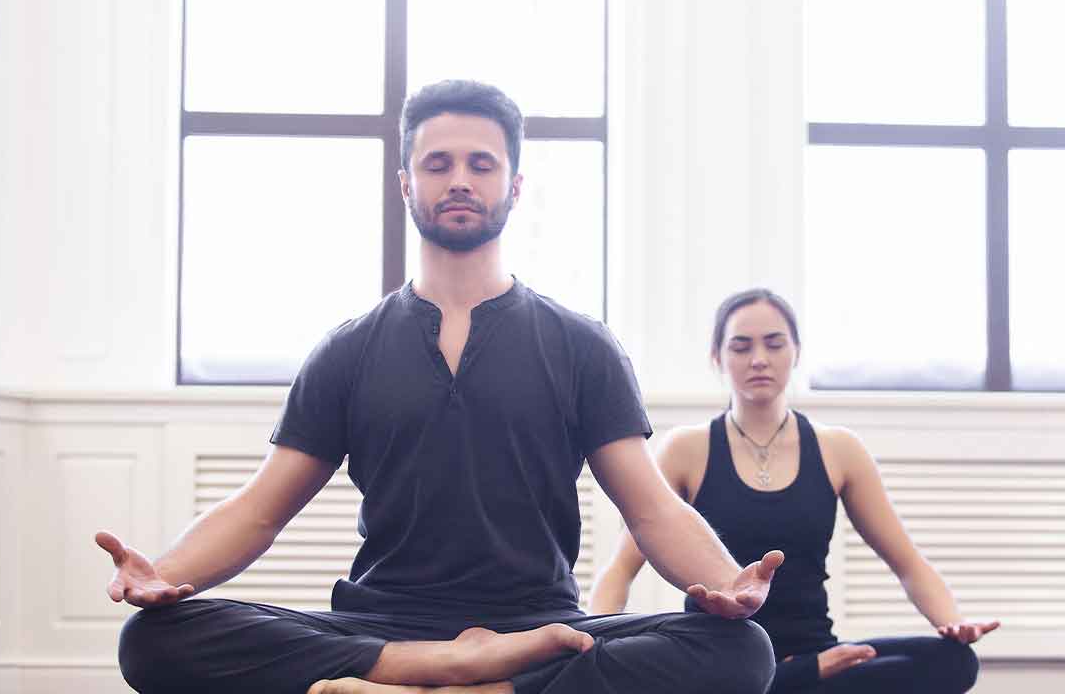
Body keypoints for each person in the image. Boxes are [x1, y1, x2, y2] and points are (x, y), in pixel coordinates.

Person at [95, 80, 781, 694]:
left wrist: (726, 584)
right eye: (438, 163)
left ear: (514, 186)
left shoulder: (581, 346)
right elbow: (259, 511)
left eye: (481, 164)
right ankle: (453, 677)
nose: (460, 179)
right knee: (153, 641)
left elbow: (652, 510)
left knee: (741, 651)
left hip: (535, 623)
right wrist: (164, 572)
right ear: (405, 183)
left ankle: (450, 682)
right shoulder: (348, 349)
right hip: (381, 621)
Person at [588, 288, 998, 693]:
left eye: (774, 343)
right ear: (718, 358)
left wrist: (952, 623)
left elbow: (907, 562)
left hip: (816, 649)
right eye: (741, 346)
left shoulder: (840, 450)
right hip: (724, 656)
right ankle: (798, 678)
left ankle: (796, 678)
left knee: (955, 662)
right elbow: (621, 569)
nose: (759, 359)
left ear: (796, 352)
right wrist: (590, 649)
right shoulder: (685, 450)